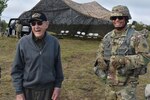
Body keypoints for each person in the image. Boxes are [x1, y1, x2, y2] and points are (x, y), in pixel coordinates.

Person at [94, 5, 150, 100]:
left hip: (126, 87)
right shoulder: (108, 37)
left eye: (120, 17)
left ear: (126, 18)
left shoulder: (136, 37)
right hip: (109, 85)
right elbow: (100, 52)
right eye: (113, 17)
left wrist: (123, 60)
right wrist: (99, 59)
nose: (116, 20)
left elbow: (145, 57)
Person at [11, 12, 64, 100]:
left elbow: (58, 67)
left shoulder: (54, 42)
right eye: (33, 23)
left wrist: (58, 86)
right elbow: (16, 70)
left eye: (39, 23)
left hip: (48, 90)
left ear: (46, 24)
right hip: (27, 90)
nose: (36, 26)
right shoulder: (22, 42)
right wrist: (19, 92)